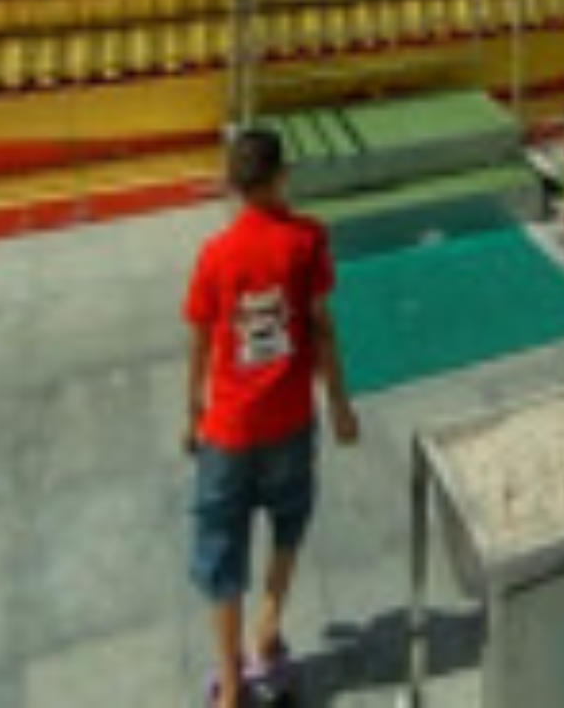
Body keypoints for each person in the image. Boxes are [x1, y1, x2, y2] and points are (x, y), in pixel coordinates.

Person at [182, 125, 358, 706]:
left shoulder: (215, 256)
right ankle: (268, 630)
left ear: (233, 186)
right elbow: (322, 327)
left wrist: (192, 414)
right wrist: (339, 403)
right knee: (288, 523)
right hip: (289, 419)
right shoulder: (307, 239)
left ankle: (231, 686)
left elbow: (202, 343)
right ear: (281, 177)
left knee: (221, 549)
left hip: (229, 428)